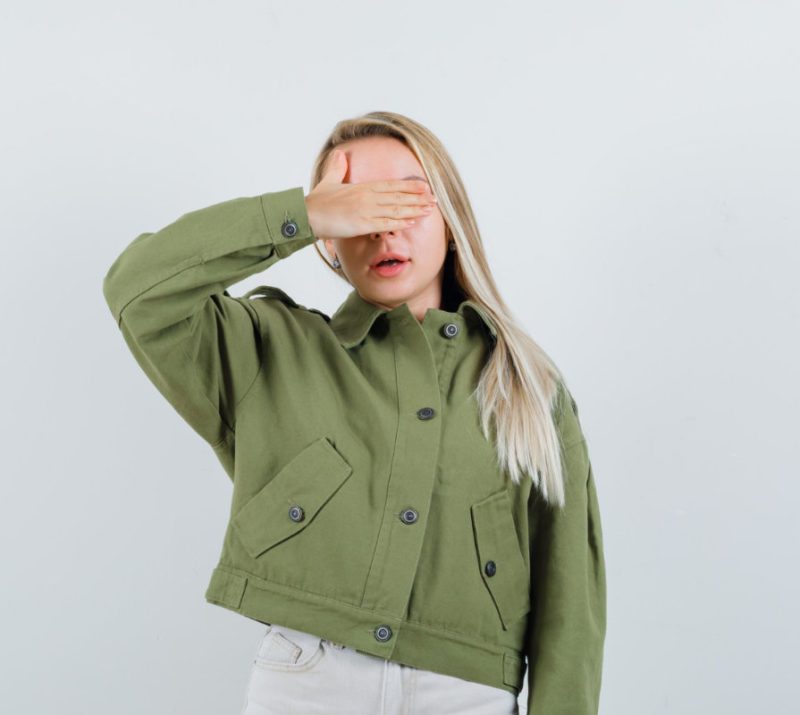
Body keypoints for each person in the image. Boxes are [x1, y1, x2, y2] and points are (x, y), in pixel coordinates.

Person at [102, 110, 607, 714]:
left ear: (451, 221)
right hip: (307, 681)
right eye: (358, 205)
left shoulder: (528, 387)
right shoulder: (267, 349)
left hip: (466, 694)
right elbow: (138, 289)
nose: (384, 227)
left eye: (407, 199)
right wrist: (301, 214)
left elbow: (570, 605)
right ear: (329, 241)